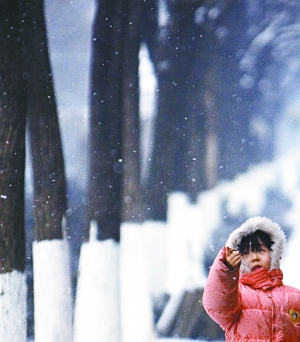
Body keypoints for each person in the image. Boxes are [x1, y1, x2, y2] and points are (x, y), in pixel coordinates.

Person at [202, 216, 300, 341]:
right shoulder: (236, 295)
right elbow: (217, 305)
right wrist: (225, 269)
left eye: (260, 250)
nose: (254, 258)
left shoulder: (294, 297)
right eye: (246, 253)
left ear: (274, 253)